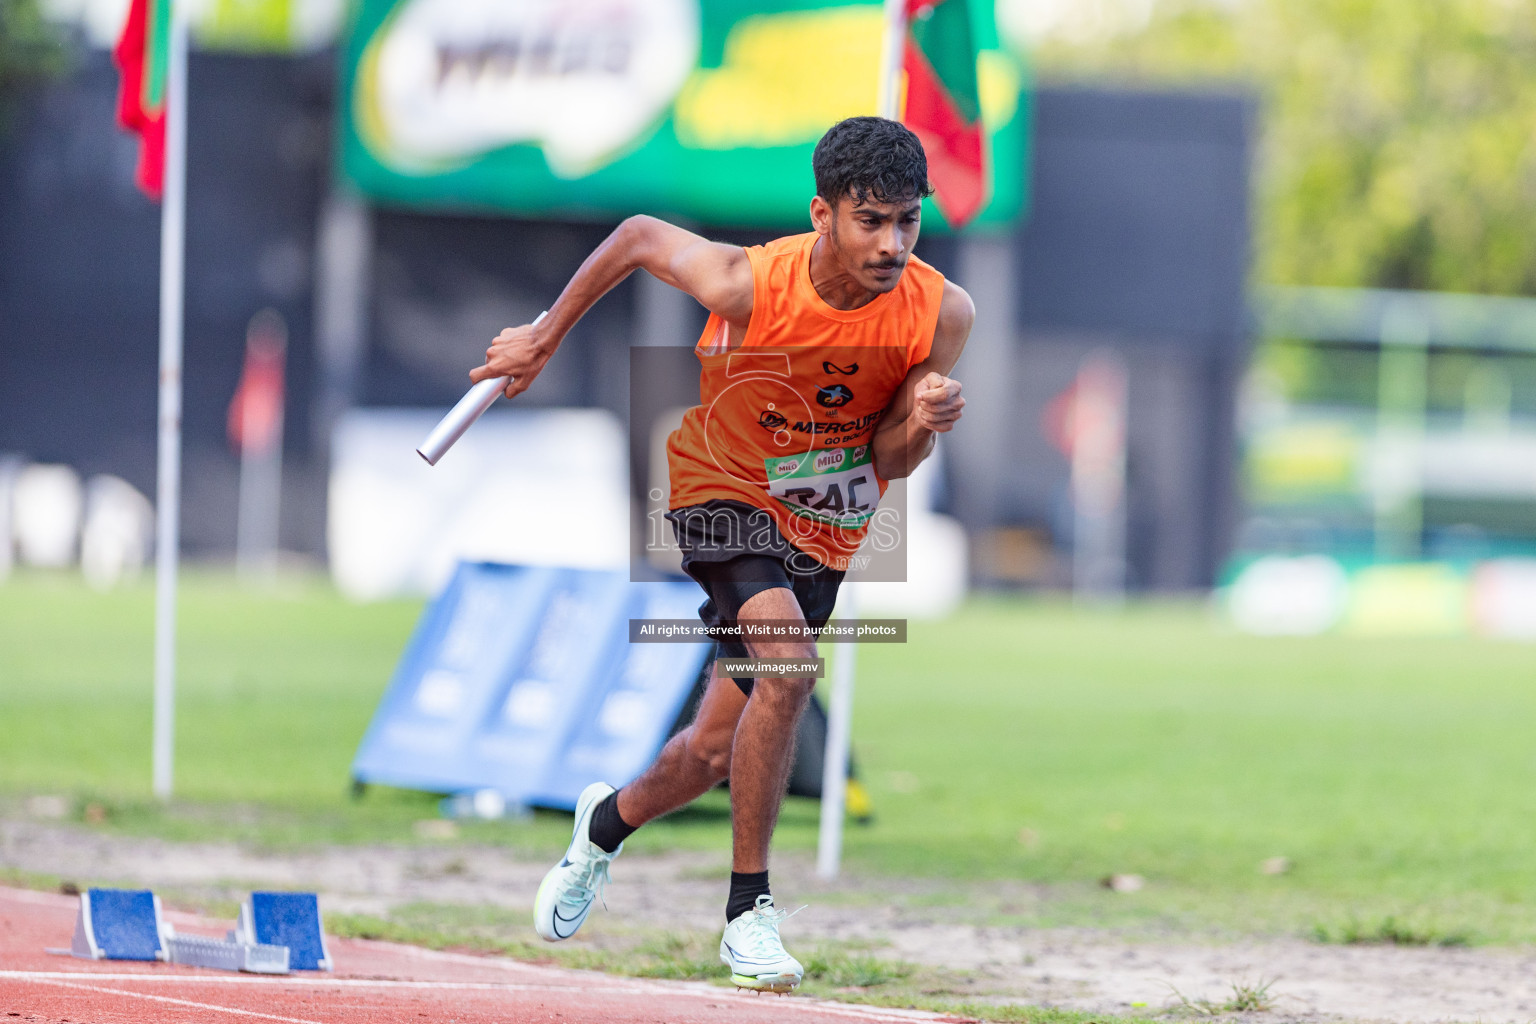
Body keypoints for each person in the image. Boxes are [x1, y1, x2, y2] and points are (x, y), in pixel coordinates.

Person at [471, 115, 973, 993]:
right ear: (823, 212)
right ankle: (749, 914)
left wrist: (920, 426)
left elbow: (888, 460)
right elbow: (634, 237)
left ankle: (603, 829)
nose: (893, 244)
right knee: (790, 669)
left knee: (709, 753)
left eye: (909, 221)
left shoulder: (942, 311)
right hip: (721, 488)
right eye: (871, 221)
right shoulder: (747, 281)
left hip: (825, 525)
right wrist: (546, 337)